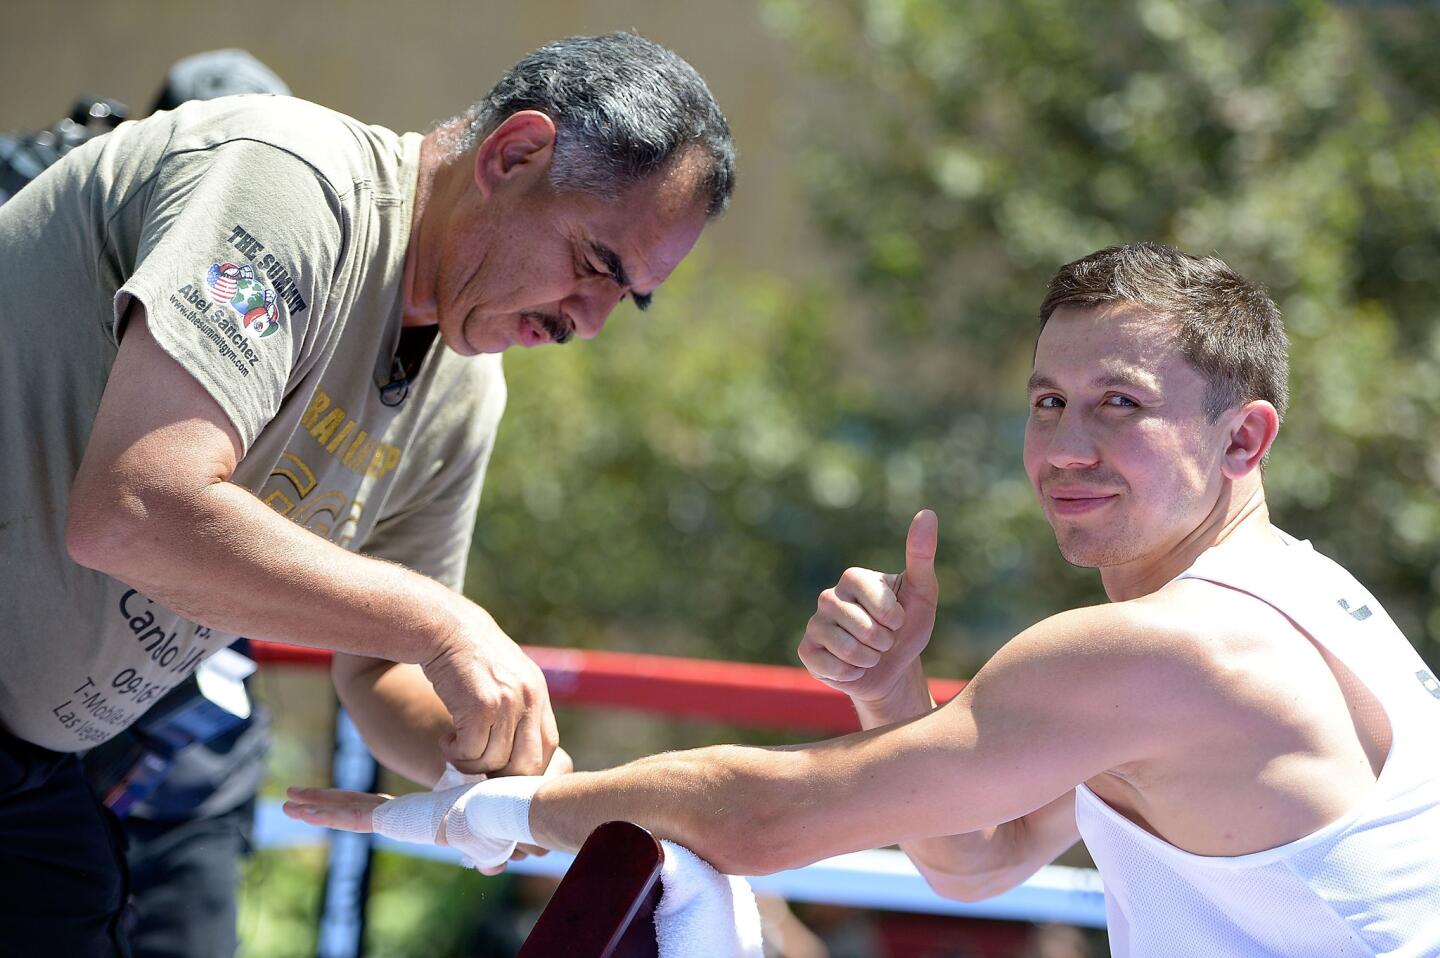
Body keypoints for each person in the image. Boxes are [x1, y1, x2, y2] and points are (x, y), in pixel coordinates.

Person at [288, 243, 1440, 956]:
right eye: (1047, 400)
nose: (1067, 445)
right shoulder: (1309, 598)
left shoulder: (1173, 650)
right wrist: (895, 694)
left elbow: (769, 817)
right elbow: (974, 863)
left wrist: (473, 815)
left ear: (1244, 437)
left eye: (1119, 404)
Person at [0, 32, 734, 956]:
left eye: (625, 300)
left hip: (34, 769)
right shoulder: (291, 184)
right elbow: (137, 507)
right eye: (596, 263)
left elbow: (378, 667)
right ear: (513, 155)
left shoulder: (465, 388)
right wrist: (441, 621)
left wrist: (490, 775)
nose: (588, 323)